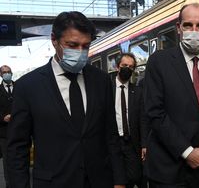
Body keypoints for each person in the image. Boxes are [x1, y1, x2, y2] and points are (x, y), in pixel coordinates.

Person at [7, 11, 127, 188]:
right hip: (53, 182)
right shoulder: (28, 86)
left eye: (86, 46)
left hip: (99, 181)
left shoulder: (100, 80)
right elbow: (17, 148)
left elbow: (110, 134)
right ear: (54, 40)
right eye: (72, 45)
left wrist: (119, 180)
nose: (80, 52)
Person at [143, 3, 199, 188]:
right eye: (188, 25)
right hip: (168, 171)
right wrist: (187, 152)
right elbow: (155, 112)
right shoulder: (159, 62)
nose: (194, 31)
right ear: (178, 28)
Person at [114, 53, 148, 188]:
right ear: (117, 67)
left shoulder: (138, 91)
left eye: (131, 67)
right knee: (117, 178)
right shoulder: (107, 88)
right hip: (113, 142)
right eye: (124, 66)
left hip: (131, 142)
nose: (127, 69)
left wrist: (144, 144)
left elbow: (143, 119)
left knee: (134, 176)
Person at [0, 65, 14, 187]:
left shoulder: (20, 87)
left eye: (8, 72)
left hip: (20, 130)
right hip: (4, 132)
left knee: (21, 157)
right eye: (4, 72)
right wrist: (2, 118)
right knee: (7, 160)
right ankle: (9, 184)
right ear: (1, 75)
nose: (7, 74)